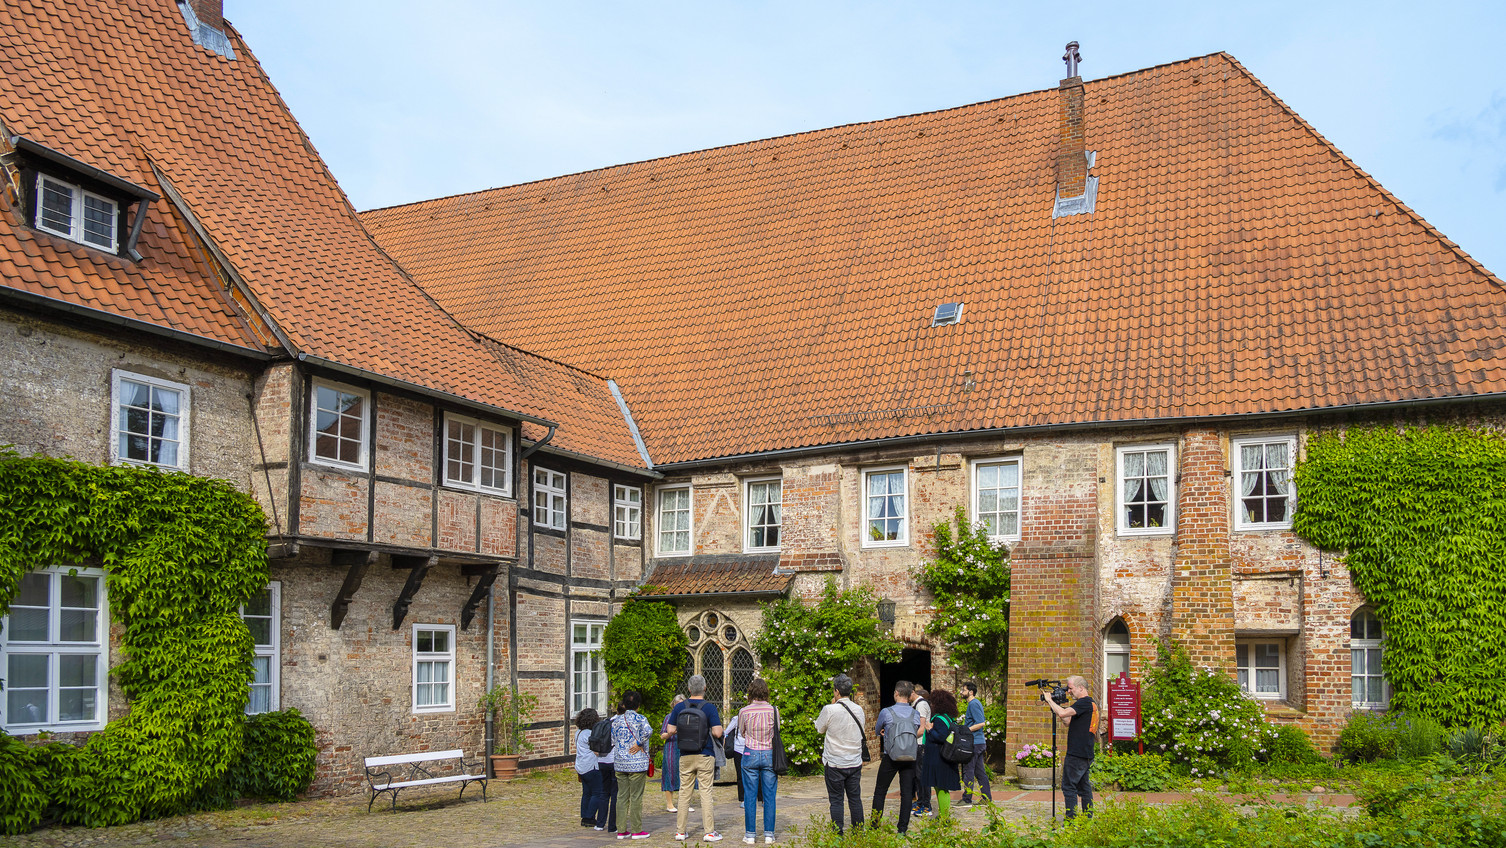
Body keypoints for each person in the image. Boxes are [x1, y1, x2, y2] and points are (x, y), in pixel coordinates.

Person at [667, 674, 725, 842]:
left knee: (684, 793)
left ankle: (680, 832)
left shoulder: (679, 708)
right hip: (705, 754)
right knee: (706, 792)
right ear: (705, 688)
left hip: (685, 754)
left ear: (689, 689)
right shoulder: (709, 708)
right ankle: (709, 832)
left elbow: (670, 730)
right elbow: (717, 732)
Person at [813, 672, 865, 834]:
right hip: (854, 761)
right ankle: (858, 832)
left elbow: (819, 729)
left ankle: (838, 833)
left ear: (836, 691)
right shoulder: (859, 709)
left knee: (836, 800)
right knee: (855, 799)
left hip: (835, 761)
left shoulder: (830, 709)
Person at [871, 680, 922, 834]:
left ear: (896, 693)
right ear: (909, 695)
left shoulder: (887, 712)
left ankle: (875, 826)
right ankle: (902, 829)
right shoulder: (915, 713)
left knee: (880, 791)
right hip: (910, 757)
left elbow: (876, 730)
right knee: (907, 793)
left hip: (891, 756)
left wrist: (884, 731)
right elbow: (916, 729)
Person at [1043, 675, 1096, 819]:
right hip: (1085, 752)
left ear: (1081, 688)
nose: (1069, 692)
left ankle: (1071, 819)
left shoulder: (1084, 702)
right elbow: (1067, 721)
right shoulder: (1087, 704)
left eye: (1071, 688)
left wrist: (1049, 700)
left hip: (1077, 753)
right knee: (1084, 786)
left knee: (1069, 786)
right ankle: (1087, 817)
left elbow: (1062, 713)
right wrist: (1053, 703)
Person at [737, 678, 778, 845]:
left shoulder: (744, 711)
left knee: (750, 795)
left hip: (750, 753)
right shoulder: (774, 710)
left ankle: (750, 834)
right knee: (769, 796)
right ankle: (769, 834)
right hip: (769, 753)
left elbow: (741, 731)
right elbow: (777, 731)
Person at [611, 690, 655, 839]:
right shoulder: (641, 719)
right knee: (636, 797)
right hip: (636, 763)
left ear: (623, 703)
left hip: (620, 762)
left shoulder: (616, 720)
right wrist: (638, 742)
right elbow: (649, 731)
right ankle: (636, 830)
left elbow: (613, 740)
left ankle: (621, 830)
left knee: (621, 796)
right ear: (638, 705)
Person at [923, 688, 962, 819]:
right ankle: (943, 815)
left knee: (941, 787)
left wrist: (929, 730)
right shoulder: (949, 718)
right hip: (945, 757)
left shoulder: (939, 719)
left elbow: (940, 737)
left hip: (938, 758)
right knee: (941, 787)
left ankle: (944, 817)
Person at [958, 680, 992, 807]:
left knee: (968, 771)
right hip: (978, 742)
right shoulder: (973, 704)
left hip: (974, 743)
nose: (961, 692)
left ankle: (967, 799)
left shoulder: (973, 704)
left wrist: (965, 730)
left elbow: (981, 723)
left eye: (963, 690)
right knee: (979, 772)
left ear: (970, 692)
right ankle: (986, 798)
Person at [575, 708, 606, 828]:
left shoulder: (578, 732)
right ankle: (590, 816)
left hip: (581, 766)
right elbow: (596, 750)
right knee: (597, 792)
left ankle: (584, 816)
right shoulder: (590, 734)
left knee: (586, 793)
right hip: (591, 766)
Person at [661, 693, 688, 812]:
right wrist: (671, 733)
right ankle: (670, 804)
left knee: (686, 775)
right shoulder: (669, 717)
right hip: (672, 747)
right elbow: (662, 735)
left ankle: (685, 803)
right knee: (670, 774)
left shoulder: (688, 716)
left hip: (685, 747)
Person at [910, 685, 933, 818]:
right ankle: (920, 801)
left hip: (921, 745)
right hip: (917, 745)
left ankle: (926, 805)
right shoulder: (916, 704)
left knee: (922, 776)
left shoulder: (921, 705)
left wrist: (908, 737)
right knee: (917, 777)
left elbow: (922, 728)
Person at [599, 703, 621, 832]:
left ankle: (600, 824)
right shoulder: (621, 723)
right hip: (614, 761)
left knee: (604, 793)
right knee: (615, 794)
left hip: (601, 760)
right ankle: (612, 826)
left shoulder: (607, 721)